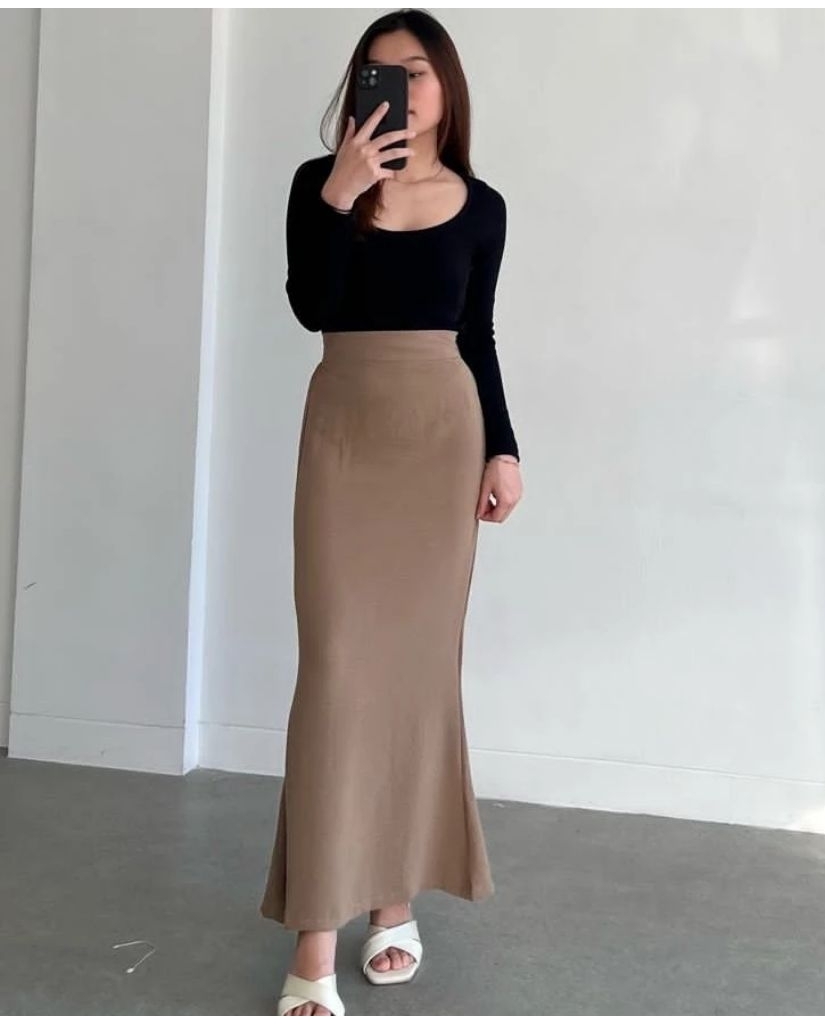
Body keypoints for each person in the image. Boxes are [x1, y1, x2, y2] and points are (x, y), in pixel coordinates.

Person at [259, 9, 524, 1016]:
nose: (399, 88)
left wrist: (503, 446)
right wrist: (340, 193)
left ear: (445, 85)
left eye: (414, 71)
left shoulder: (483, 207)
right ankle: (315, 933)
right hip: (346, 431)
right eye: (378, 73)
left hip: (441, 437)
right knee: (337, 674)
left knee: (416, 675)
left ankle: (393, 900)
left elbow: (478, 333)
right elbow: (313, 306)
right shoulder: (317, 184)